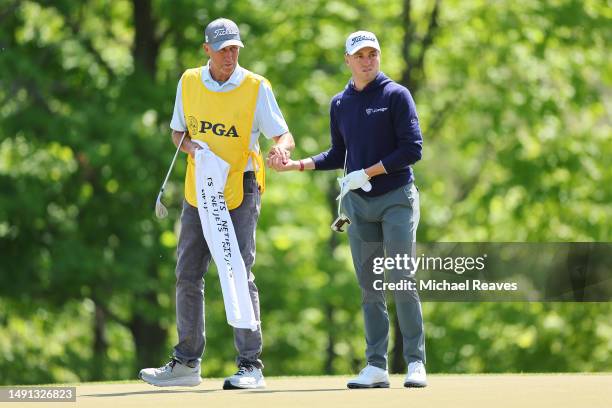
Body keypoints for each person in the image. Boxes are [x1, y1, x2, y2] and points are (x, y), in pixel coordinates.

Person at [140, 17, 294, 390]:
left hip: (240, 189)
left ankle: (250, 365)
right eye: (223, 49)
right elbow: (178, 130)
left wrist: (280, 150)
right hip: (199, 190)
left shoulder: (256, 87)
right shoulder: (189, 81)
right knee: (188, 274)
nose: (230, 56)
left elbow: (283, 134)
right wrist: (191, 146)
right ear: (206, 49)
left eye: (234, 49)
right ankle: (186, 363)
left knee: (240, 271)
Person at [271, 31, 426, 388]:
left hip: (396, 198)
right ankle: (376, 366)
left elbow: (412, 149)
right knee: (370, 285)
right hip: (359, 205)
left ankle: (416, 362)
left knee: (401, 278)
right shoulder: (340, 103)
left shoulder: (396, 95)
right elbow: (338, 154)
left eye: (373, 54)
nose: (368, 60)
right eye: (360, 55)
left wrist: (366, 173)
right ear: (348, 60)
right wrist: (295, 166)